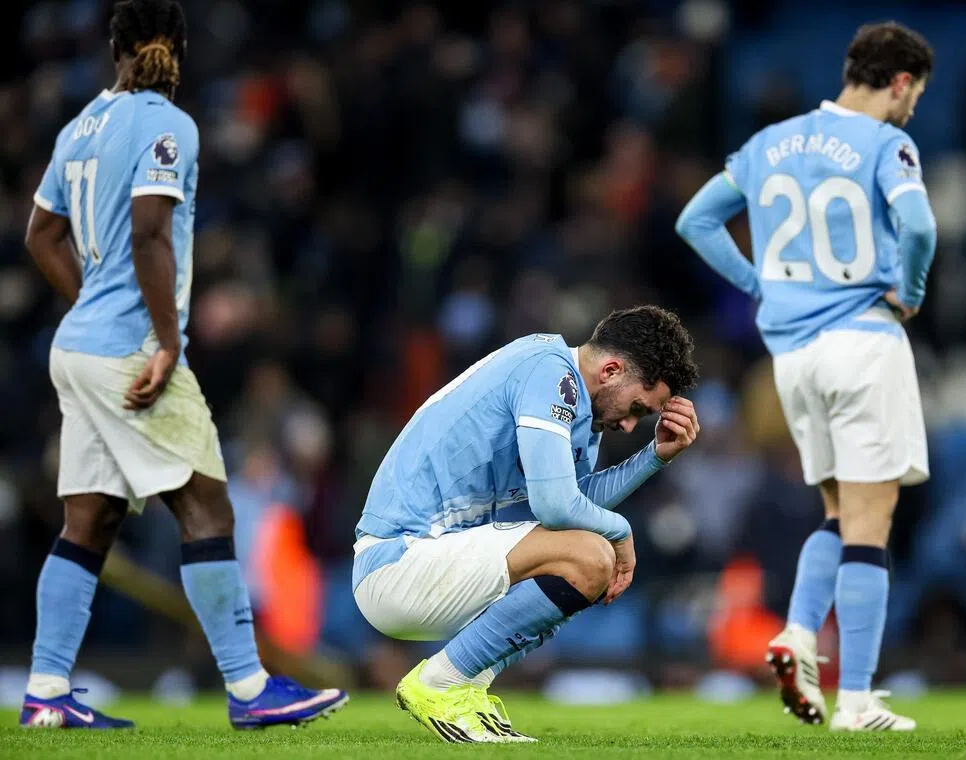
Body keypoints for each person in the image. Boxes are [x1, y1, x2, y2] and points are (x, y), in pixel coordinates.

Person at [20, 0, 347, 730]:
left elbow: (40, 235)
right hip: (131, 350)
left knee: (90, 521)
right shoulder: (170, 125)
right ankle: (250, 686)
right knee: (206, 507)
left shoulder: (79, 127)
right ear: (181, 49)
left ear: (115, 50)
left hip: (76, 348)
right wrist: (166, 339)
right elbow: (149, 234)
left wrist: (87, 302)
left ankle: (45, 692)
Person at [676, 21, 937, 731]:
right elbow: (918, 228)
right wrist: (909, 290)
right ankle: (854, 699)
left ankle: (795, 632)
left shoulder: (767, 145)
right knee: (870, 525)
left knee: (835, 513)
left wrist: (758, 283)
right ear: (902, 82)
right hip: (862, 340)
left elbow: (696, 221)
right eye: (913, 96)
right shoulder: (888, 143)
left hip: (792, 356)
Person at [352, 306, 700, 743]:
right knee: (593, 554)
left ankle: (464, 686)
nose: (630, 424)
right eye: (636, 408)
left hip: (441, 561)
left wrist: (653, 457)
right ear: (611, 370)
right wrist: (623, 532)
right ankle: (438, 683)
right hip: (397, 561)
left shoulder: (575, 407)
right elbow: (558, 507)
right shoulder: (549, 374)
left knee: (586, 553)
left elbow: (566, 509)